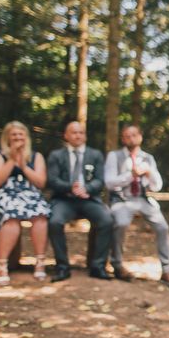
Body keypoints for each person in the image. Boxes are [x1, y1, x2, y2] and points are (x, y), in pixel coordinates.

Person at [0, 121, 50, 285]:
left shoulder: (36, 156)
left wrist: (23, 166)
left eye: (21, 135)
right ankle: (1, 264)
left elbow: (41, 183)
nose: (17, 138)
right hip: (4, 193)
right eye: (14, 135)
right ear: (7, 138)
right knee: (11, 216)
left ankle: (40, 262)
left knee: (41, 215)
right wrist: (12, 159)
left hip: (29, 193)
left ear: (26, 137)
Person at [105, 125, 169, 286]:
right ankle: (117, 265)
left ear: (140, 137)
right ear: (122, 139)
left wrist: (149, 173)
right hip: (122, 200)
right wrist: (131, 174)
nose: (130, 138)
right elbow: (109, 183)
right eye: (127, 136)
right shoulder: (114, 156)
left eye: (134, 135)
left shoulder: (148, 158)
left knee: (163, 227)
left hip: (143, 199)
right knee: (121, 223)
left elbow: (157, 186)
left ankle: (167, 270)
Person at [47, 121, 113, 282]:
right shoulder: (56, 155)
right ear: (66, 135)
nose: (78, 135)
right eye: (74, 132)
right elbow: (52, 180)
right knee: (54, 222)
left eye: (81, 132)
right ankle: (62, 267)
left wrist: (87, 189)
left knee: (107, 220)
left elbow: (100, 180)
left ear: (85, 136)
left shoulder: (95, 155)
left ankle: (98, 266)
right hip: (64, 200)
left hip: (88, 199)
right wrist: (71, 187)